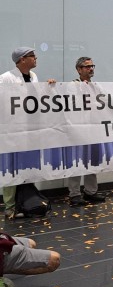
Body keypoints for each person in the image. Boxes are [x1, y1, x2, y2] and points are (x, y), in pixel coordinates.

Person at [0, 47, 56, 220]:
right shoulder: (6, 78)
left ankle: (24, 202)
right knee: (11, 166)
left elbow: (35, 99)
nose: (36, 58)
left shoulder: (33, 77)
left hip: (29, 129)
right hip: (12, 129)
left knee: (25, 166)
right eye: (32, 56)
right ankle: (9, 206)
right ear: (22, 59)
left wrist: (49, 87)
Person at [66, 57, 107, 206]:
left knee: (92, 160)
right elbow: (74, 103)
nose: (91, 69)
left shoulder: (96, 86)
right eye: (87, 67)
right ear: (79, 69)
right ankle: (74, 194)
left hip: (93, 128)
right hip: (78, 127)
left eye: (92, 66)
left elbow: (102, 102)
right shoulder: (72, 85)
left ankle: (90, 191)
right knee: (76, 161)